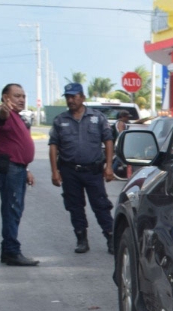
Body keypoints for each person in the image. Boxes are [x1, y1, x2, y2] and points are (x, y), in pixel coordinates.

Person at [49, 83, 115, 254]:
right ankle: (81, 239)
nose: (70, 100)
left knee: (101, 205)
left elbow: (108, 141)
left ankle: (111, 238)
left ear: (82, 97)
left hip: (93, 171)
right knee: (74, 206)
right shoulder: (60, 120)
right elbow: (53, 146)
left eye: (74, 96)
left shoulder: (98, 118)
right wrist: (54, 171)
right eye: (68, 97)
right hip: (69, 171)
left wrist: (109, 166)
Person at [0, 83, 38, 266]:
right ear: (5, 97)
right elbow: (1, 116)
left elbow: (17, 144)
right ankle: (12, 251)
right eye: (17, 96)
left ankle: (8, 251)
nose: (21, 99)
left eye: (23, 96)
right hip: (9, 168)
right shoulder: (2, 113)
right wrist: (4, 109)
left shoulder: (18, 117)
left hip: (17, 168)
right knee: (11, 210)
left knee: (14, 210)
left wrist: (25, 169)